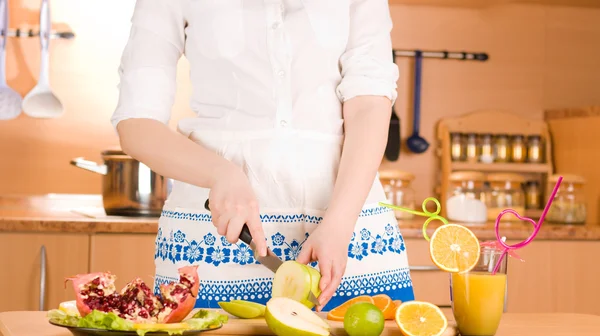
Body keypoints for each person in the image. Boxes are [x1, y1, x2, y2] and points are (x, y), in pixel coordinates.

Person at [110, 0, 415, 312]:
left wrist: (339, 222)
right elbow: (136, 125)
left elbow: (369, 104)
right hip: (216, 244)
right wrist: (221, 174)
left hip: (347, 237)